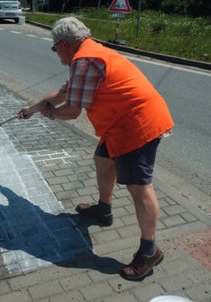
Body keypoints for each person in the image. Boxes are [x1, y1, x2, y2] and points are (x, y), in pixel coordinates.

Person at [18, 17, 174, 281]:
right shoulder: (89, 53)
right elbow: (65, 92)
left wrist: (50, 114)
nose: (57, 54)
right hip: (119, 124)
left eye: (56, 49)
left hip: (137, 125)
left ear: (65, 44)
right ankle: (104, 209)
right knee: (103, 160)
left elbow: (71, 110)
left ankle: (150, 251)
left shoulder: (86, 60)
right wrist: (32, 109)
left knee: (139, 187)